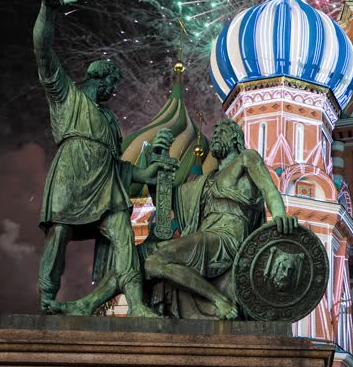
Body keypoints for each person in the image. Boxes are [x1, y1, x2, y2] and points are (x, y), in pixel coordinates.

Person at [48, 119, 298, 319]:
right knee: (133, 256)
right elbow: (167, 202)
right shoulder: (205, 181)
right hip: (204, 238)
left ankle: (220, 301)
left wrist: (279, 216)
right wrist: (156, 157)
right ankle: (87, 304)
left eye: (221, 132)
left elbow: (269, 190)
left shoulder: (247, 159)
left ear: (234, 138)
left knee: (156, 260)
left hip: (226, 239)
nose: (215, 137)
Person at [33, 0, 173, 317]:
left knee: (124, 235)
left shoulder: (110, 122)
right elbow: (43, 50)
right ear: (102, 79)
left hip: (105, 184)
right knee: (59, 234)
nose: (115, 91)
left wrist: (146, 172)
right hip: (72, 172)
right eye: (113, 84)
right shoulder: (68, 97)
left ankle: (137, 304)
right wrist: (47, 13)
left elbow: (119, 167)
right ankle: (47, 298)